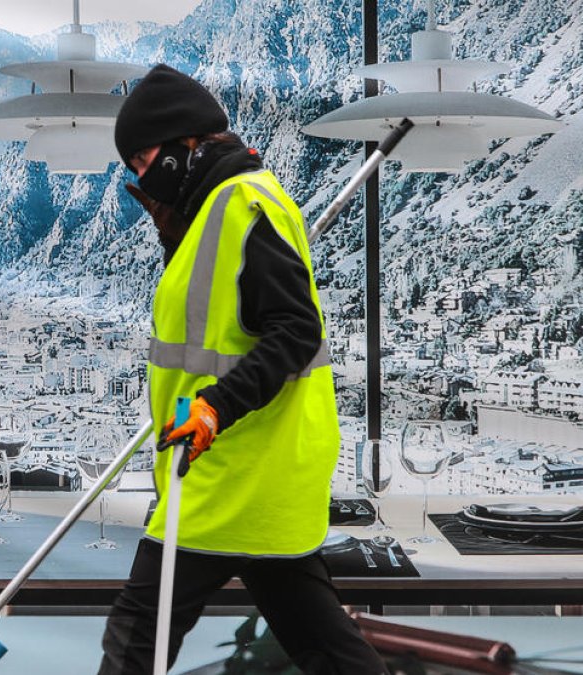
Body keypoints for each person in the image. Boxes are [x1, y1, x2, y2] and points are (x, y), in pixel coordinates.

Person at [98, 64, 388, 675]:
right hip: (246, 472)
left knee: (135, 638)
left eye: (144, 157)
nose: (138, 175)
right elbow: (222, 328)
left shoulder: (244, 204)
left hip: (226, 470)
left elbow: (296, 329)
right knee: (324, 647)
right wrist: (170, 232)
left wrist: (214, 407)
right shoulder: (214, 209)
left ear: (186, 143)